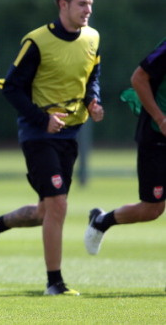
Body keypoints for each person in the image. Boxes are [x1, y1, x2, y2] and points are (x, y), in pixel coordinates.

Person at [0, 0, 104, 296]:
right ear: (63, 4)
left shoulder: (92, 38)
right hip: (37, 135)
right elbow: (12, 88)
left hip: (70, 134)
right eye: (82, 3)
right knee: (58, 205)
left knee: (46, 211)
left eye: (90, 4)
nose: (88, 9)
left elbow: (92, 77)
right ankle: (54, 283)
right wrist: (41, 118)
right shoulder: (37, 41)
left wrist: (93, 100)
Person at [84, 39, 166, 255]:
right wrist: (160, 119)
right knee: (152, 209)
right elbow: (138, 78)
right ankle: (101, 221)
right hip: (157, 137)